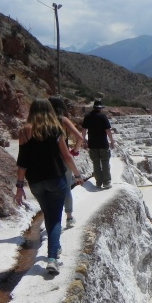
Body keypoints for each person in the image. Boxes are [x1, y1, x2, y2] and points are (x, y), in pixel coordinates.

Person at [15, 99, 84, 275]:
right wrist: (77, 175)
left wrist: (19, 186)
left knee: (48, 214)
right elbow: (67, 157)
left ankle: (56, 245)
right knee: (55, 218)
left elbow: (22, 161)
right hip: (56, 179)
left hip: (36, 182)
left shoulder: (24, 132)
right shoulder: (55, 130)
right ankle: (52, 258)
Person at [48, 96, 84, 228]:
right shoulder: (63, 120)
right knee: (67, 187)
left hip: (47, 158)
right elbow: (80, 137)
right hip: (63, 156)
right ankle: (69, 217)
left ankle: (51, 217)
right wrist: (75, 150)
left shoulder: (44, 120)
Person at [82, 99, 115, 188]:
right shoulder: (103, 117)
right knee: (105, 162)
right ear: (100, 108)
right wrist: (112, 141)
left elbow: (84, 130)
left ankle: (98, 182)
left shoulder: (87, 116)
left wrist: (84, 141)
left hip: (92, 144)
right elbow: (108, 130)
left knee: (95, 163)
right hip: (103, 143)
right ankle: (106, 182)